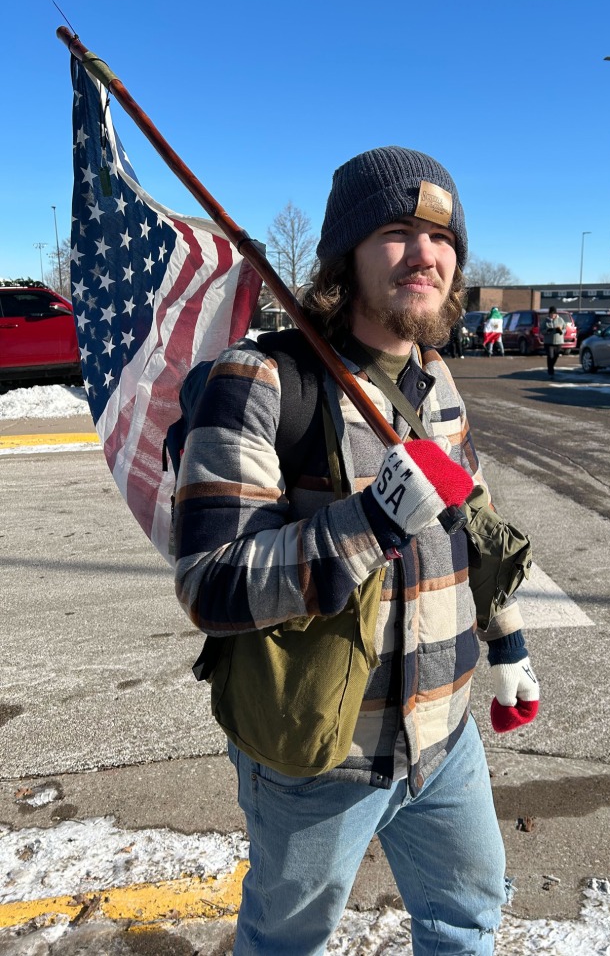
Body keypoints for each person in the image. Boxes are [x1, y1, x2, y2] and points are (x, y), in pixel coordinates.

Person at [174, 147, 540, 955]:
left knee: (467, 919)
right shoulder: (263, 379)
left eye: (443, 239)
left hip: (444, 739)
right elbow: (210, 581)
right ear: (346, 253)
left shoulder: (436, 380)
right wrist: (370, 521)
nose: (425, 254)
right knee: (287, 941)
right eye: (397, 231)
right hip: (319, 755)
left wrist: (507, 640)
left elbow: (475, 521)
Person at [541, 305, 566, 376]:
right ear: (549, 314)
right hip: (548, 342)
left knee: (556, 356)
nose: (552, 315)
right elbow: (541, 330)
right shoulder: (546, 321)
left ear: (556, 314)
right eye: (551, 313)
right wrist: (547, 331)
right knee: (550, 356)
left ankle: (551, 367)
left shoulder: (560, 320)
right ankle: (550, 371)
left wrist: (561, 331)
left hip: (558, 342)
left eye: (554, 313)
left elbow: (565, 328)